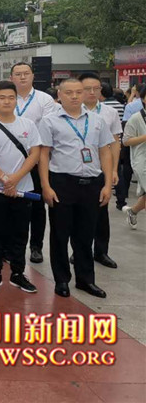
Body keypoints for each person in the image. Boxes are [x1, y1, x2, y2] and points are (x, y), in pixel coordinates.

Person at [39, 78, 114, 299]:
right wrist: (46, 186)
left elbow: (105, 152)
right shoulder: (49, 121)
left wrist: (107, 184)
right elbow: (43, 154)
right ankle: (62, 279)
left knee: (85, 234)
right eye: (69, 92)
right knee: (60, 234)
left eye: (78, 92)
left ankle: (85, 279)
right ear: (59, 95)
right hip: (62, 182)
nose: (74, 96)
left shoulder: (97, 120)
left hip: (91, 183)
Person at [0, 80, 41, 294]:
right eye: (2, 97)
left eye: (11, 97)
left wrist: (15, 179)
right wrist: (5, 179)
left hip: (23, 189)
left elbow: (34, 155)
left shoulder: (28, 125)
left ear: (16, 100)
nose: (7, 101)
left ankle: (18, 273)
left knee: (20, 234)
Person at [10, 61, 58, 265]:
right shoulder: (6, 97)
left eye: (26, 73)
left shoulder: (44, 100)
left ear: (33, 76)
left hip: (36, 159)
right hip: (9, 160)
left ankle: (36, 246)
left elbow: (46, 128)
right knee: (11, 203)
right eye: (18, 74)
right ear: (11, 77)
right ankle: (11, 246)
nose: (22, 77)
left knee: (37, 205)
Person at [79, 72, 122, 269]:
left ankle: (101, 251)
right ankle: (80, 250)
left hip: (101, 168)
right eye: (87, 88)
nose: (91, 92)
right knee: (79, 214)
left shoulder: (109, 112)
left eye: (95, 88)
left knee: (101, 212)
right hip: (78, 169)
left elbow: (115, 142)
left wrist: (113, 170)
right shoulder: (70, 111)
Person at [122, 85, 146, 228]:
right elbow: (126, 141)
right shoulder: (136, 118)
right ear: (143, 99)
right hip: (142, 160)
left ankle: (133, 211)